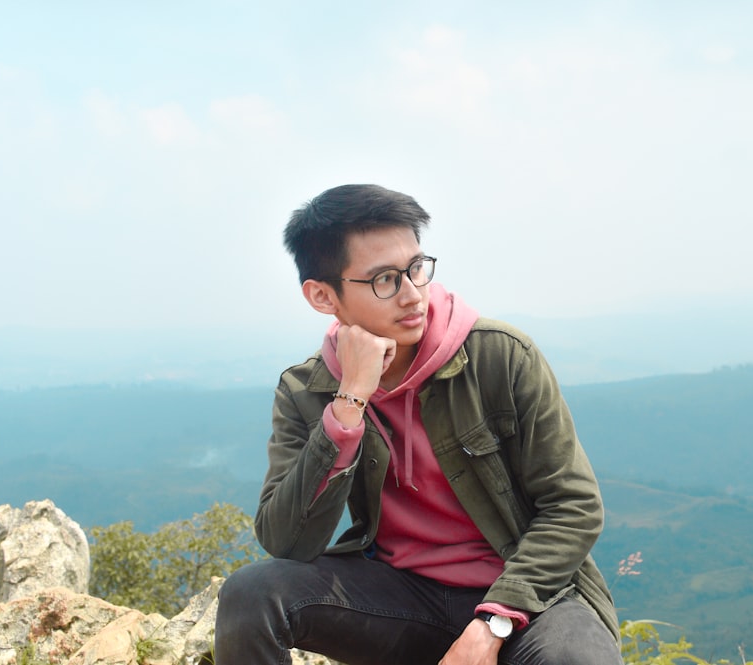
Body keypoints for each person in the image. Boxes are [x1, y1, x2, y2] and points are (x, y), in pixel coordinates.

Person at [215, 184, 622, 665]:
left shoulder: (500, 356)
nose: (412, 294)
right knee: (251, 594)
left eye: (415, 268)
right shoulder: (306, 390)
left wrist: (493, 621)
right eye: (384, 279)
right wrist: (349, 405)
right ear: (323, 295)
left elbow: (573, 505)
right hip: (401, 597)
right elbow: (286, 540)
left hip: (527, 595)